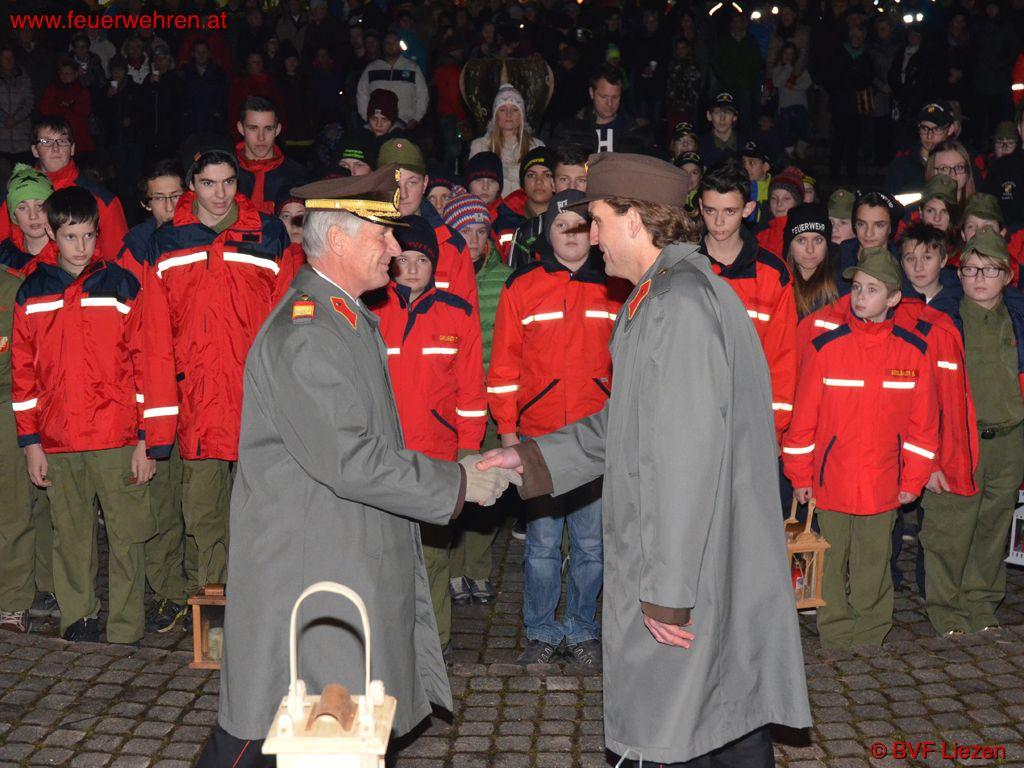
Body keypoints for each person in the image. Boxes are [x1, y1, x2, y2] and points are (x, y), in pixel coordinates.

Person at [479, 151, 810, 765]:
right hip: (702, 560)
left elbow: (684, 459)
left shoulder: (675, 306)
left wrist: (666, 592)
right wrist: (534, 459)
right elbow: (626, 423)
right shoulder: (665, 293)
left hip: (690, 568)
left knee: (684, 726)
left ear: (635, 220)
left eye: (598, 219)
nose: (590, 235)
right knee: (719, 722)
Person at [198, 167, 518, 768]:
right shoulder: (309, 335)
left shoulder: (341, 315)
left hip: (335, 560)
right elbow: (353, 458)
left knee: (339, 741)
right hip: (311, 579)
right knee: (275, 738)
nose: (397, 249)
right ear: (339, 241)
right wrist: (457, 482)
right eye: (383, 236)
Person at [12, 187, 177, 644]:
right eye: (70, 237)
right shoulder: (33, 292)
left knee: (128, 537)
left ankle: (125, 627)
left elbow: (146, 364)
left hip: (117, 438)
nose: (81, 247)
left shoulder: (122, 285)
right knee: (71, 537)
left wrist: (147, 439)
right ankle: (79, 617)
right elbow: (23, 377)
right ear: (51, 233)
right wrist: (31, 443)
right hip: (60, 442)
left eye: (88, 236)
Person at [141, 134, 295, 594]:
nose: (220, 193)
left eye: (228, 182)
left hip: (254, 397)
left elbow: (288, 320)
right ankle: (210, 606)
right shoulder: (167, 241)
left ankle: (260, 599)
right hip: (197, 397)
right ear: (192, 185)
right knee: (202, 511)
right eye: (209, 184)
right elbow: (153, 333)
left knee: (259, 507)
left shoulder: (267, 234)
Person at [488, 189, 625, 667]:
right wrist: (508, 434)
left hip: (596, 439)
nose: (571, 234)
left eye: (581, 225)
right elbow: (503, 366)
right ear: (548, 231)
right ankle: (542, 629)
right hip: (539, 440)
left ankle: (583, 628)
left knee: (591, 544)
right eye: (562, 225)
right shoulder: (521, 286)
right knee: (543, 546)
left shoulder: (615, 286)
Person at [784, 247, 939, 647]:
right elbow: (803, 422)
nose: (860, 296)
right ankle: (835, 634)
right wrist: (800, 476)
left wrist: (914, 480)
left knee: (874, 564)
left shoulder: (913, 353)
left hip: (883, 484)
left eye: (872, 289)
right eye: (856, 287)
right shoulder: (826, 348)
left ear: (892, 299)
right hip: (832, 480)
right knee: (832, 562)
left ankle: (870, 634)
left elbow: (923, 429)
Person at [373, 215, 485, 659]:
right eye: (405, 259)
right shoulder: (370, 311)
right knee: (382, 553)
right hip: (384, 453)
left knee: (432, 555)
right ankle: (388, 641)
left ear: (434, 265)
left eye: (422, 259)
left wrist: (470, 453)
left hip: (437, 454)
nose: (414, 268)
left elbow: (472, 392)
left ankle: (435, 641)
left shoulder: (457, 313)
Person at [920, 228, 1024, 637]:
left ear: (1007, 275)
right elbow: (923, 396)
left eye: (990, 269)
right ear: (958, 274)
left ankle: (981, 601)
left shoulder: (1017, 319)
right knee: (950, 527)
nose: (980, 277)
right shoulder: (943, 322)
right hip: (958, 441)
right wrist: (929, 456)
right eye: (971, 269)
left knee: (993, 525)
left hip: (1009, 439)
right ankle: (946, 608)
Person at [115, 159, 190, 633]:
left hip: (196, 385)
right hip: (153, 385)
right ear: (145, 204)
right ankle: (166, 590)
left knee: (195, 498)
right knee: (160, 498)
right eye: (158, 198)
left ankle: (199, 588)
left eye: (174, 195)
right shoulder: (134, 248)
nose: (168, 206)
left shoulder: (198, 237)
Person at [442, 189, 513, 606]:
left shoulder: (504, 279)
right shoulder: (438, 276)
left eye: (480, 230)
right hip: (449, 400)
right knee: (453, 485)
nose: (472, 239)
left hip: (489, 397)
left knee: (487, 486)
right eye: (462, 231)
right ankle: (451, 569)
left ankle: (478, 569)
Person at [699, 159, 797, 444]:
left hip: (750, 424)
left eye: (729, 211)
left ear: (748, 209)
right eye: (710, 211)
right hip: (692, 419)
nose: (718, 222)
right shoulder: (683, 266)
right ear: (700, 208)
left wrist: (774, 429)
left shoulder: (772, 274)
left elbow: (783, 360)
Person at [0, 117, 128, 262]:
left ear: (72, 148)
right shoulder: (16, 193)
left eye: (62, 141)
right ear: (35, 150)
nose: (55, 149)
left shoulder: (101, 200)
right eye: (46, 142)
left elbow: (118, 259)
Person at [377, 138, 477, 308]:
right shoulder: (360, 240)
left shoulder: (451, 245)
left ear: (424, 184)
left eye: (412, 182)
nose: (403, 194)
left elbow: (466, 318)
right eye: (395, 183)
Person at [553, 65, 653, 155]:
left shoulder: (636, 132)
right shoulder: (571, 130)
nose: (609, 103)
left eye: (615, 97)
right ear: (592, 93)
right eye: (604, 97)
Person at [234, 95, 307, 215]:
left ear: (277, 130)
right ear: (241, 128)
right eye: (253, 128)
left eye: (268, 129)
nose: (261, 137)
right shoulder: (226, 173)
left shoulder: (297, 176)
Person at [469, 84, 544, 198]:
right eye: (503, 110)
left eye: (514, 110)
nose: (509, 115)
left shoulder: (536, 146)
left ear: (522, 115)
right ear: (495, 115)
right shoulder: (480, 146)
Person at [355, 31, 429, 131]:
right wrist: (369, 119)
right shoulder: (372, 68)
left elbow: (422, 94)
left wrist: (416, 118)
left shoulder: (412, 67)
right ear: (383, 46)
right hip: (378, 126)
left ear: (399, 45)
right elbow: (362, 94)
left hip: (405, 124)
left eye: (394, 43)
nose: (391, 46)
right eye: (387, 43)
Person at [886, 102, 953, 195]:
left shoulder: (958, 165)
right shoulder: (901, 165)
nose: (929, 136)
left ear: (950, 130)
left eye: (937, 129)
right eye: (925, 128)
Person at [785, 203, 838, 319]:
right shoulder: (777, 284)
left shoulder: (841, 287)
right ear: (789, 245)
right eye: (801, 240)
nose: (810, 249)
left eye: (818, 240)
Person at [506, 148, 555, 270]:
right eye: (531, 175)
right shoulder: (504, 218)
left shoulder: (567, 220)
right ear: (523, 182)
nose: (539, 181)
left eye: (547, 175)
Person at [1, 163, 53, 270]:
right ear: (14, 216)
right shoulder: (4, 256)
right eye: (22, 208)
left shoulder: (70, 254)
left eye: (40, 205)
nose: (33, 216)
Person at [756, 166, 804, 257]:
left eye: (786, 198)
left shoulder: (802, 234)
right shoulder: (761, 234)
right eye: (774, 198)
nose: (779, 204)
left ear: (797, 202)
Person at [0, 45, 33, 166]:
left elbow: (29, 102)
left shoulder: (23, 77)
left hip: (21, 137)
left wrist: (16, 119)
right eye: (5, 58)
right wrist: (4, 118)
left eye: (11, 57)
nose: (9, 61)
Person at [925, 139, 976, 206]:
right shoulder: (918, 211)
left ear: (967, 172)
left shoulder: (978, 211)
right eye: (944, 168)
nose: (952, 175)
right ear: (932, 172)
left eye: (959, 167)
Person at [698, 92, 743, 167]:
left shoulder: (745, 146)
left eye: (728, 113)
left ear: (735, 117)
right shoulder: (699, 146)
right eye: (717, 113)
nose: (722, 118)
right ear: (709, 116)